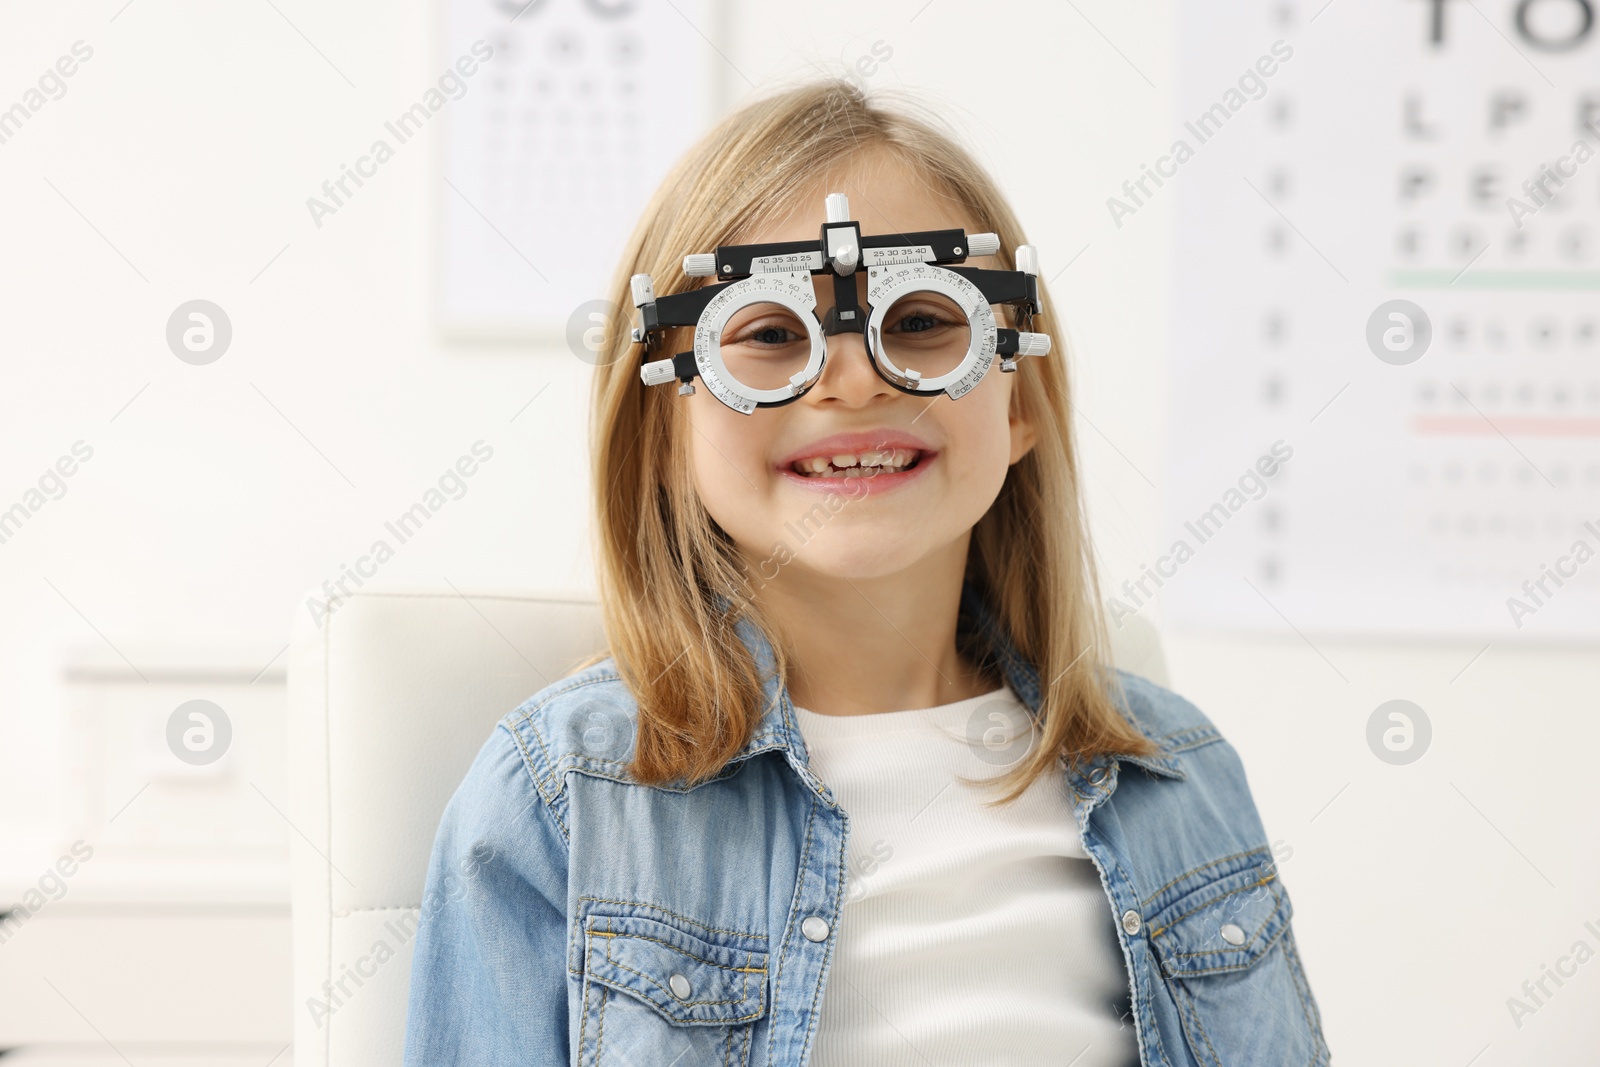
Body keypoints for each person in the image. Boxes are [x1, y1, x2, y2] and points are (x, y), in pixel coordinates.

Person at [402, 79, 1329, 1067]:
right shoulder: (562, 799)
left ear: (1019, 402)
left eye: (924, 320)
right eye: (765, 334)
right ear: (662, 426)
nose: (855, 378)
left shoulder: (1180, 772)